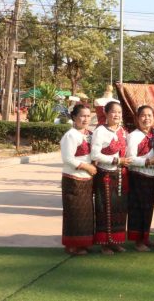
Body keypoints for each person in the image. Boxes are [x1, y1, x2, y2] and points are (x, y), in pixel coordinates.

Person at [90, 101, 129, 254]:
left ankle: (116, 241)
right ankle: (105, 243)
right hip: (105, 176)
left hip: (121, 175)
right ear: (106, 114)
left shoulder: (123, 132)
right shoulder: (100, 131)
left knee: (119, 209)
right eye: (113, 112)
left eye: (119, 112)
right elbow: (95, 155)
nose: (117, 115)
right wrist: (116, 160)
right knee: (105, 208)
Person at [60, 104, 97, 255]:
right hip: (73, 179)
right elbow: (68, 158)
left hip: (87, 180)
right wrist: (87, 167)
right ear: (74, 117)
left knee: (85, 213)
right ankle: (72, 245)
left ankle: (84, 242)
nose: (86, 119)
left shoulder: (90, 134)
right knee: (73, 213)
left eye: (88, 116)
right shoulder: (70, 135)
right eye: (82, 115)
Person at [126, 105, 154, 252]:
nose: (146, 118)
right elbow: (130, 159)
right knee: (138, 209)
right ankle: (138, 241)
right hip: (138, 176)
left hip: (151, 177)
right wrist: (148, 161)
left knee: (148, 208)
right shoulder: (133, 136)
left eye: (149, 115)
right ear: (137, 118)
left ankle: (145, 237)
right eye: (143, 115)